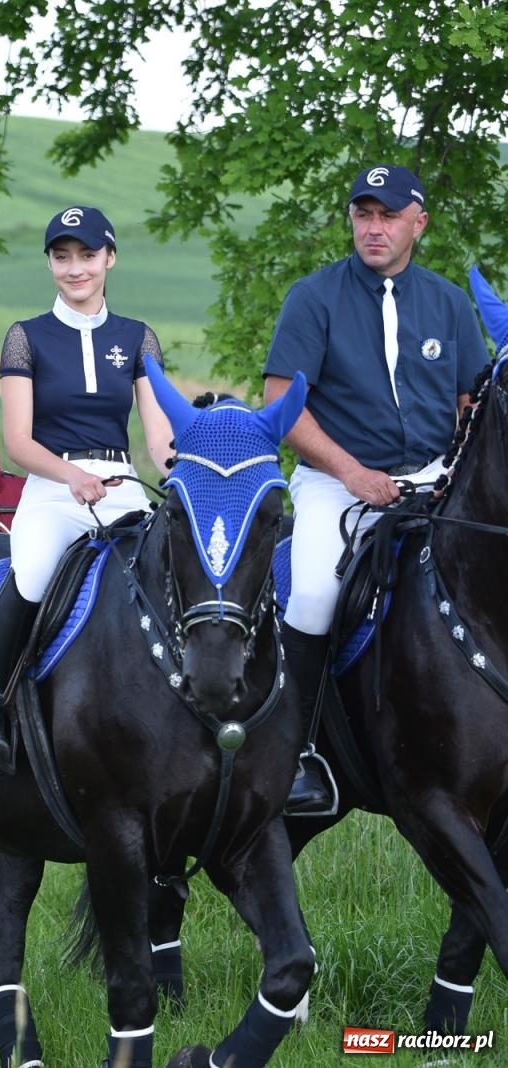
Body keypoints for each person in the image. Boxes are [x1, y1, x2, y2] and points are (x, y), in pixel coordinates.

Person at [262, 164, 487, 814]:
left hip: (434, 482)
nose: (374, 228)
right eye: (364, 214)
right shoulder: (314, 297)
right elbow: (281, 404)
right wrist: (352, 473)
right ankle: (298, 755)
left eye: (389, 215)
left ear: (419, 222)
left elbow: (472, 403)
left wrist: (456, 474)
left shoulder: (449, 302)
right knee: (312, 594)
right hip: (337, 485)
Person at [0, 207, 175, 770]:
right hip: (54, 490)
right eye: (62, 257)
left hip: (123, 487)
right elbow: (18, 441)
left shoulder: (138, 337)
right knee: (32, 574)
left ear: (110, 258)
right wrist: (71, 476)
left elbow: (158, 436)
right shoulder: (26, 337)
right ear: (50, 263)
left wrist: (180, 473)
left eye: (87, 255)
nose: (75, 268)